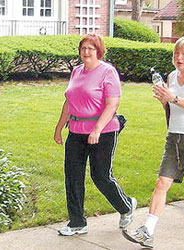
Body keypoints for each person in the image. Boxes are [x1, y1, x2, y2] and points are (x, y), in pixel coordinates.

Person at [122, 35, 184, 248]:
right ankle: (147, 230)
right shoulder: (172, 76)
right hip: (175, 135)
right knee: (161, 182)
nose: (179, 57)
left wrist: (171, 97)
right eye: (176, 53)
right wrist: (163, 100)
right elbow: (171, 108)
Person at [54, 33, 137, 236]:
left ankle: (126, 206)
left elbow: (113, 104)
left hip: (103, 132)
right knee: (73, 177)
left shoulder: (108, 72)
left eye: (91, 48)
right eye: (83, 48)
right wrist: (58, 128)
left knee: (100, 176)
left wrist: (97, 129)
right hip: (76, 132)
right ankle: (76, 222)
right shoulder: (76, 71)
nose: (86, 52)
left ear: (99, 51)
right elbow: (69, 102)